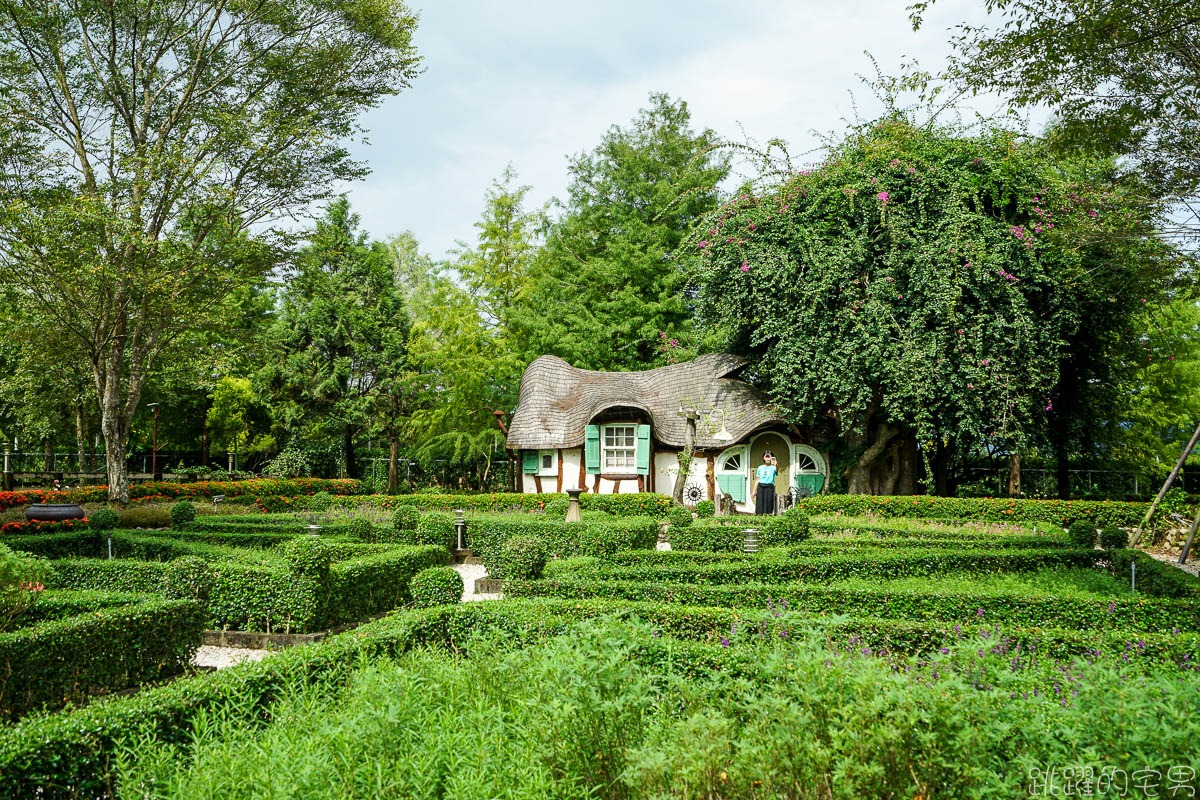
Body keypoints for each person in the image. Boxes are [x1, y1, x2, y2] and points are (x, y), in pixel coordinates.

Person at [751, 450, 778, 515]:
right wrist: (754, 490)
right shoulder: (760, 467)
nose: (768, 458)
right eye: (766, 456)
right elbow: (757, 479)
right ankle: (759, 518)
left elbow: (777, 470)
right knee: (760, 504)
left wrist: (776, 464)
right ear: (763, 458)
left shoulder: (773, 467)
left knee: (768, 503)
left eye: (769, 457)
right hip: (760, 487)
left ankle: (767, 517)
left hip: (769, 487)